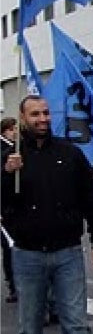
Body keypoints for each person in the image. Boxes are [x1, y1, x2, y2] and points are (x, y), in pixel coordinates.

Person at [1, 96, 93, 334]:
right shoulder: (10, 157)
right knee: (29, 326)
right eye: (35, 114)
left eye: (46, 113)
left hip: (67, 251)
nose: (42, 119)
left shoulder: (70, 154)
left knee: (76, 323)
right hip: (27, 254)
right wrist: (6, 175)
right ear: (22, 118)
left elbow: (91, 200)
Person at [1, 116, 18, 302]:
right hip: (5, 206)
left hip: (16, 205)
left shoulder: (18, 148)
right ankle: (13, 283)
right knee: (9, 246)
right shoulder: (4, 150)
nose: (15, 132)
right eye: (11, 129)